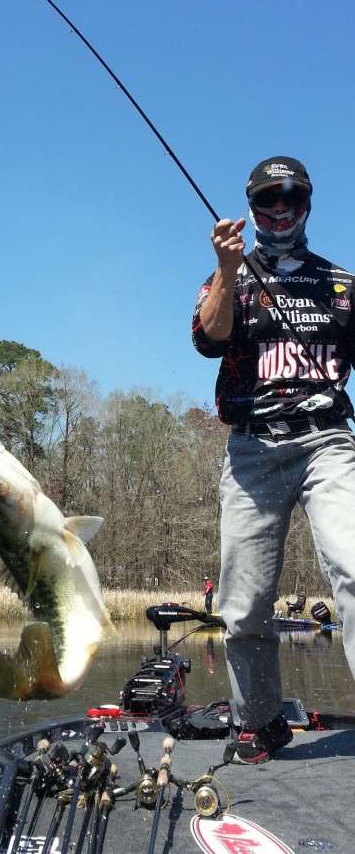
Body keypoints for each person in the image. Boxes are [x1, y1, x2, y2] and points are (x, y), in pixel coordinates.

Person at [192, 155, 355, 764]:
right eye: (267, 198)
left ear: (307, 202)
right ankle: (259, 721)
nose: (279, 208)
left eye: (290, 196)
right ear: (252, 206)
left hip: (327, 443)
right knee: (243, 602)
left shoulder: (342, 285)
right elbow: (209, 338)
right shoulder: (229, 276)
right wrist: (226, 269)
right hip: (253, 450)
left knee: (354, 567)